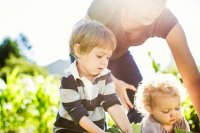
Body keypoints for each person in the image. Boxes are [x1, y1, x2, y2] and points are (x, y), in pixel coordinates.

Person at [84, 0, 200, 121]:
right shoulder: (106, 5)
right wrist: (109, 79)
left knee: (140, 109)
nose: (151, 10)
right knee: (87, 109)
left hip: (119, 57)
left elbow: (193, 81)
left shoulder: (165, 20)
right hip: (85, 57)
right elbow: (82, 48)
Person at [53, 20, 133, 133]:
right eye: (100, 56)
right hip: (68, 129)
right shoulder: (68, 80)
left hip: (98, 129)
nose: (105, 62)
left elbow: (112, 104)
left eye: (107, 57)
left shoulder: (105, 77)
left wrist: (128, 129)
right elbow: (78, 115)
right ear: (79, 51)